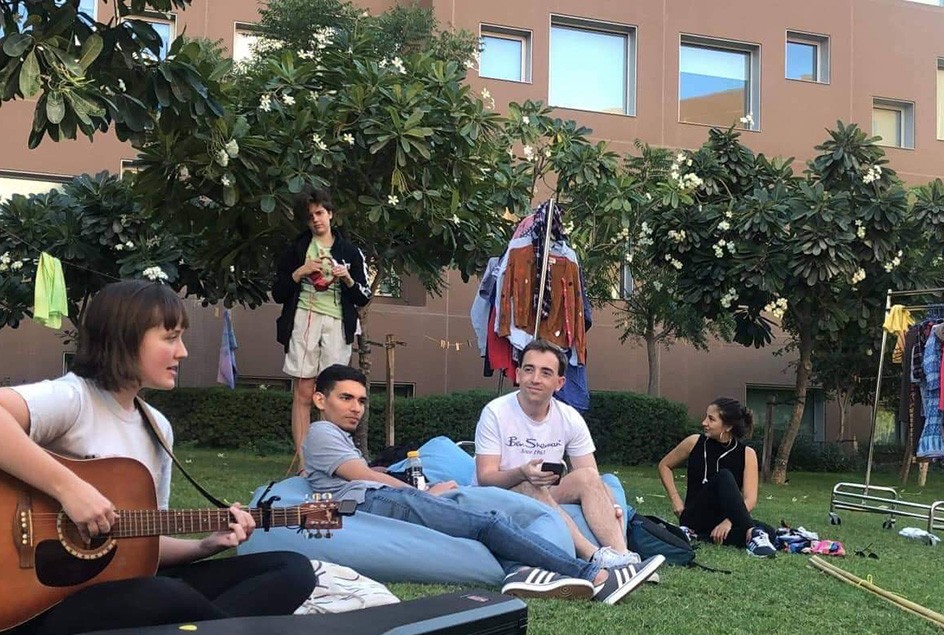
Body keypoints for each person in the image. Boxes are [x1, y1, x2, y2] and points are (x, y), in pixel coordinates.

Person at [0, 281, 316, 635]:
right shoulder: (74, 398)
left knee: (292, 570)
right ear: (125, 337)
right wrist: (71, 490)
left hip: (123, 592)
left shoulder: (157, 428)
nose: (182, 351)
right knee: (167, 596)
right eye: (170, 338)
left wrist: (204, 546)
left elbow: (147, 543)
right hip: (38, 608)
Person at [302, 365, 663, 604]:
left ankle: (524, 573)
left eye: (361, 400)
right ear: (320, 400)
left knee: (481, 529)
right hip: (378, 501)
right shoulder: (321, 432)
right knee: (489, 523)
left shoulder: (332, 437)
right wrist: (423, 492)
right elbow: (364, 478)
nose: (357, 407)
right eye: (345, 398)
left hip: (379, 499)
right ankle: (595, 575)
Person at [474, 341, 639, 569]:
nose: (535, 379)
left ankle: (623, 556)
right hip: (498, 494)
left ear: (559, 383)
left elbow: (591, 475)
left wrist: (612, 505)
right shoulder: (495, 412)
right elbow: (485, 477)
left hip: (546, 491)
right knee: (531, 485)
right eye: (529, 369)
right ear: (518, 374)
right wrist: (522, 473)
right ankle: (593, 556)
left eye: (545, 373)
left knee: (587, 476)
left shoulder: (569, 417)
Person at [272, 187, 371, 469]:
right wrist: (299, 272)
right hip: (304, 318)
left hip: (338, 323)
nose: (315, 220)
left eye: (319, 213)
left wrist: (348, 279)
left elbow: (363, 296)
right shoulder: (296, 248)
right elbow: (278, 292)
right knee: (304, 391)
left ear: (330, 214)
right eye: (309, 216)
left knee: (334, 394)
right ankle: (305, 464)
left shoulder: (349, 251)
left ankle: (330, 461)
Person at [657, 397, 776, 558]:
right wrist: (676, 500)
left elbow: (750, 499)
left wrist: (728, 522)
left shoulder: (747, 454)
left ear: (728, 426)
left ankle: (699, 536)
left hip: (723, 519)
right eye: (706, 417)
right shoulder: (694, 442)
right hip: (695, 515)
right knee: (724, 477)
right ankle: (751, 532)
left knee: (769, 531)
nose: (704, 422)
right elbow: (664, 465)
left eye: (711, 419)